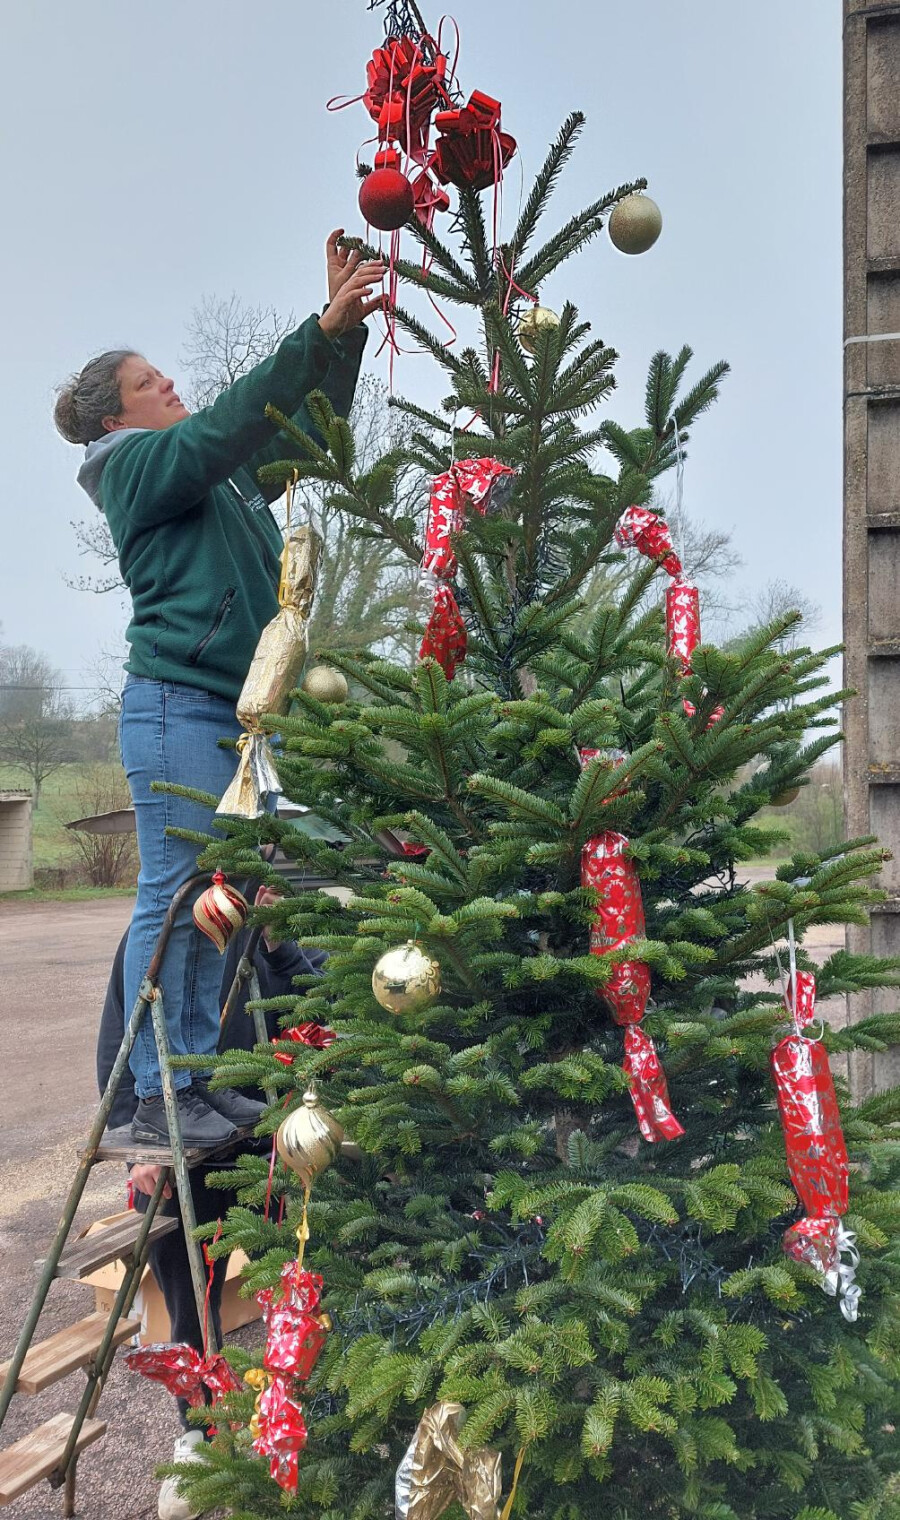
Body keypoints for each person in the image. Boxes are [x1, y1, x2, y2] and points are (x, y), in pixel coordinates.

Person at [56, 232, 383, 1148]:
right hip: (178, 706)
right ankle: (161, 1093)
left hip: (237, 719)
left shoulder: (216, 480)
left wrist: (345, 337)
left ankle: (199, 1081)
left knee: (229, 888)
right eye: (148, 381)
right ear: (115, 418)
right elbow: (221, 429)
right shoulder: (134, 468)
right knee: (180, 890)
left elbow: (300, 439)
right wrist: (311, 330)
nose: (169, 383)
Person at [97, 884, 326, 1520]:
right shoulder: (160, 933)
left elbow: (328, 1016)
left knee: (293, 1290)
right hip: (175, 1150)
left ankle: (292, 1427)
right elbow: (119, 1035)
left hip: (266, 1145)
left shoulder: (272, 926)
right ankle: (202, 1438)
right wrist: (139, 1147)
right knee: (190, 1306)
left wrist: (280, 944)